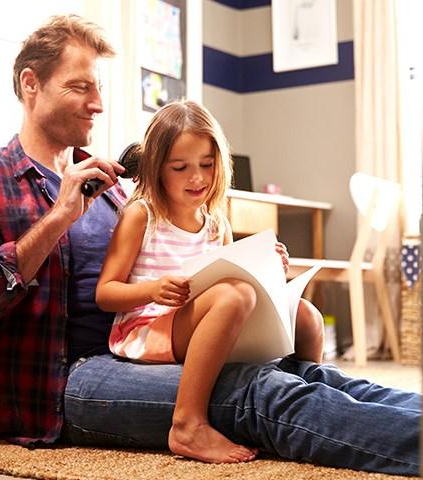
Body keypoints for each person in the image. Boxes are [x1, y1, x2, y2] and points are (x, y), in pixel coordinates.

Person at [0, 14, 422, 476]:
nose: (98, 104)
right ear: (30, 85)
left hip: (147, 351)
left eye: (98, 88)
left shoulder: (114, 190)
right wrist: (58, 217)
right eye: (80, 87)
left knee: (314, 376)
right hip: (62, 382)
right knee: (258, 391)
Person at [96, 100, 324, 464]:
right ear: (157, 168)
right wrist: (151, 290)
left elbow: (236, 277)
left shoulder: (217, 222)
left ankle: (306, 397)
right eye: (180, 167)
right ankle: (187, 423)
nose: (197, 177)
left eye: (206, 164)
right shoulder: (142, 215)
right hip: (147, 329)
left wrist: (269, 267)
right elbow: (105, 293)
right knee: (233, 297)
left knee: (307, 316)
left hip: (204, 322)